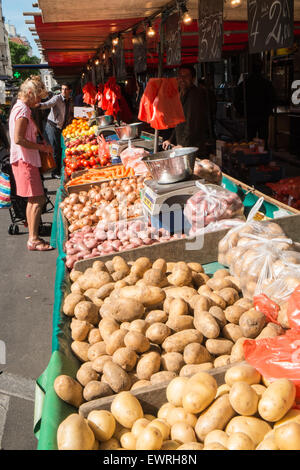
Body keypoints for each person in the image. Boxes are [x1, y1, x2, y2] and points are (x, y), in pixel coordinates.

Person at [9, 76, 53, 251]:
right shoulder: (22, 111)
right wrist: (41, 148)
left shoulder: (20, 108)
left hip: (23, 160)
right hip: (25, 160)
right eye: (38, 97)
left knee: (33, 199)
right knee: (37, 199)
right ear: (29, 93)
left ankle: (33, 238)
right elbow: (19, 139)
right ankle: (33, 240)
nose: (39, 101)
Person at [162, 65, 209, 153]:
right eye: (180, 76)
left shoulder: (195, 95)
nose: (182, 79)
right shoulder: (181, 94)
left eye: (186, 76)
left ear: (193, 78)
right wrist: (171, 140)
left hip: (193, 147)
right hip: (183, 146)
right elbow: (179, 124)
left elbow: (192, 123)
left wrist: (183, 144)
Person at [234, 61, 277, 145]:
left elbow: (236, 101)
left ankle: (252, 153)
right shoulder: (266, 84)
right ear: (261, 70)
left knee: (250, 139)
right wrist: (268, 111)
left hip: (250, 114)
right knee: (263, 138)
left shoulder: (244, 84)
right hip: (262, 115)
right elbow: (273, 99)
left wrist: (242, 112)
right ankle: (263, 153)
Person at [38, 83, 74, 178]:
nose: (63, 91)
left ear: (70, 91)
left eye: (66, 89)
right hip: (52, 126)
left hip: (62, 127)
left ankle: (59, 170)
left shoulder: (70, 100)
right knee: (55, 149)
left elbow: (70, 113)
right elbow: (47, 104)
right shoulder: (57, 98)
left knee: (61, 148)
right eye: (62, 89)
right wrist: (38, 105)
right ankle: (55, 172)